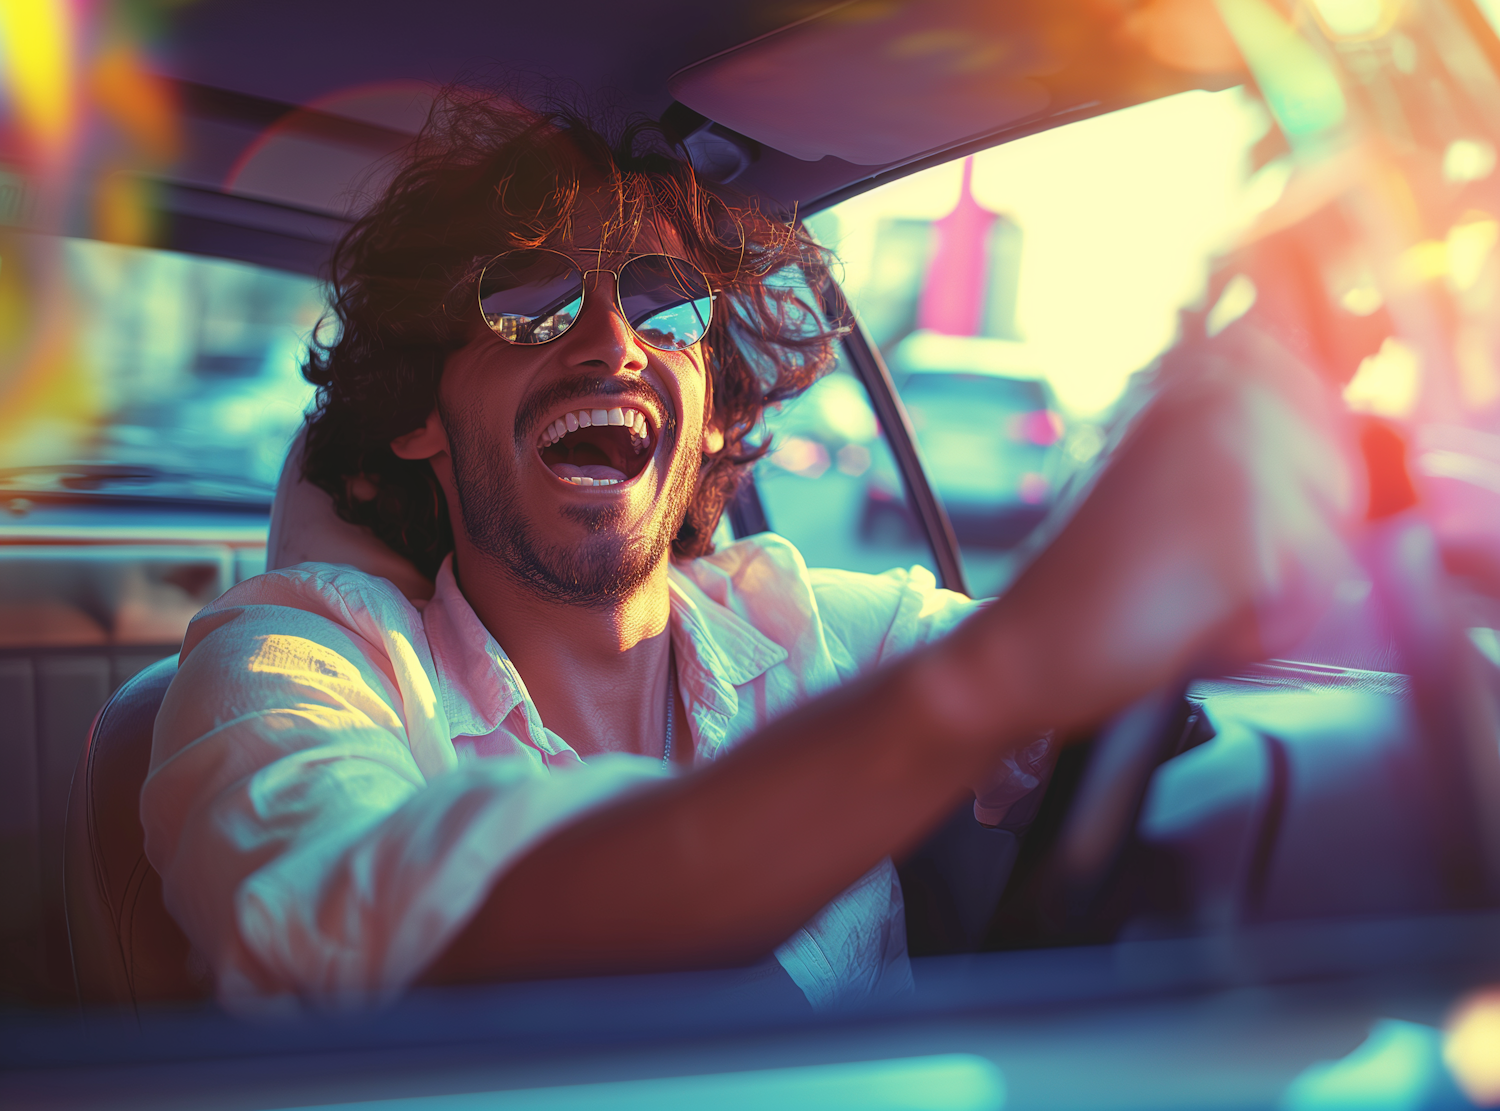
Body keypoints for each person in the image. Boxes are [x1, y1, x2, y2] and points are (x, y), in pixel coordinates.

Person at [141, 94, 1358, 1011]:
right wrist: (1001, 671)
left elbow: (1131, 724)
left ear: (715, 407)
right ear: (419, 411)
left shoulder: (831, 630)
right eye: (528, 299)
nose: (612, 340)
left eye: (666, 304)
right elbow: (372, 940)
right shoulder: (293, 666)